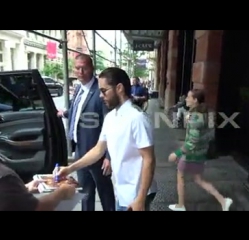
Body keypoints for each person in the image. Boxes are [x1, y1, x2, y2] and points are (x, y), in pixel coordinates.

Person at [58, 67, 157, 211]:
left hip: (136, 194)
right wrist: (69, 168)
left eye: (104, 91)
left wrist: (141, 199)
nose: (100, 95)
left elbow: (149, 159)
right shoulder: (111, 117)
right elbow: (98, 150)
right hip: (122, 192)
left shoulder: (137, 118)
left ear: (119, 88)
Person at [57, 54, 115, 211]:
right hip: (80, 151)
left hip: (98, 155)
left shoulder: (100, 92)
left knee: (105, 193)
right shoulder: (78, 89)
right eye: (77, 68)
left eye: (84, 68)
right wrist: (65, 113)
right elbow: (79, 110)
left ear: (92, 69)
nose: (80, 71)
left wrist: (108, 156)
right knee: (85, 193)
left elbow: (110, 125)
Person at [168, 89, 233, 211]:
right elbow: (210, 135)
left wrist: (176, 153)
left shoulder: (195, 118)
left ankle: (181, 205)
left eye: (188, 97)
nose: (186, 99)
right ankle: (223, 201)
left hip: (191, 154)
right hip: (201, 153)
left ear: (195, 100)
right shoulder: (206, 114)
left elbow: (192, 142)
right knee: (198, 179)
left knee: (180, 176)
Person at [0, 163, 75, 211]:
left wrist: (23, 190)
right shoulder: (5, 177)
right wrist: (62, 193)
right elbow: (38, 208)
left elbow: (6, 198)